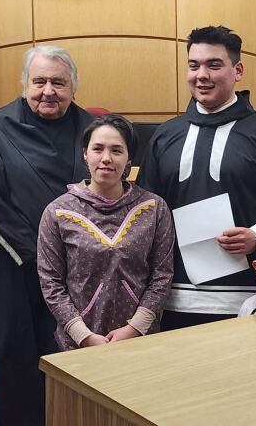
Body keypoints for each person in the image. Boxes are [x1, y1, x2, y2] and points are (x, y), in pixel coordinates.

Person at [136, 25, 256, 330]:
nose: (201, 75)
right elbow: (144, 209)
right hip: (173, 298)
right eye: (194, 66)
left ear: (238, 70)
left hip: (251, 299)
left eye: (214, 65)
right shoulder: (165, 136)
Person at [0, 45, 95, 425]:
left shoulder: (92, 131)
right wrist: (43, 256)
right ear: (24, 84)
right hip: (15, 273)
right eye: (39, 81)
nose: (48, 91)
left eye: (58, 82)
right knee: (20, 372)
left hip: (81, 275)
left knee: (79, 371)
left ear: (74, 86)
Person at [37, 114, 174, 351]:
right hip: (78, 343)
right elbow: (51, 283)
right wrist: (84, 336)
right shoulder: (57, 211)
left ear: (130, 158)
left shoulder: (154, 208)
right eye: (98, 149)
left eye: (116, 150)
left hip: (141, 340)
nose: (106, 159)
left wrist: (134, 329)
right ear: (85, 153)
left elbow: (162, 276)